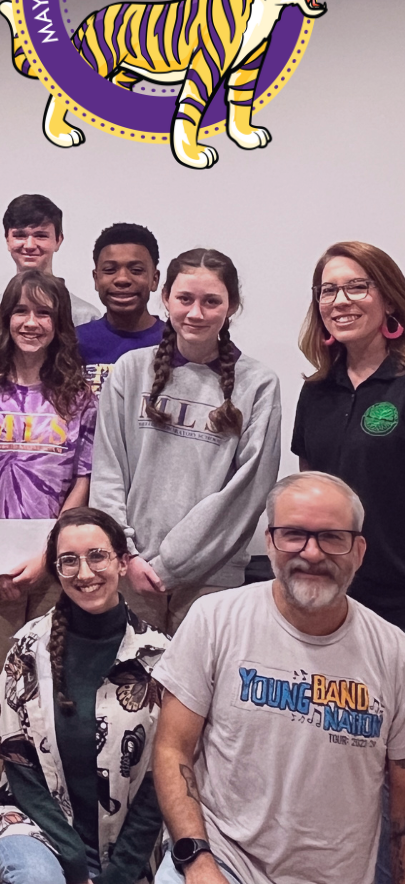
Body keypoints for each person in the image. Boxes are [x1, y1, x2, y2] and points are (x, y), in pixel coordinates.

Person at [151, 471, 405, 884]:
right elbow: (171, 749)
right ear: (269, 542)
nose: (312, 552)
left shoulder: (395, 652)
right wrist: (197, 862)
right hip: (221, 860)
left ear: (359, 550)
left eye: (333, 537)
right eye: (293, 534)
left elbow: (401, 801)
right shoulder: (214, 619)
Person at [0, 506, 169, 884]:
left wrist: (120, 874)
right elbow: (19, 765)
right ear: (56, 569)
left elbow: (161, 780)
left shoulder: (160, 657)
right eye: (68, 561)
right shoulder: (29, 648)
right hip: (37, 826)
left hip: (132, 843)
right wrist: (74, 860)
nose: (84, 573)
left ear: (123, 563)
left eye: (97, 556)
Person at [90, 248, 282, 633]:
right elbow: (108, 468)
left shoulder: (258, 384)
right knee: (128, 689)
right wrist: (124, 553)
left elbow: (246, 494)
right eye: (185, 299)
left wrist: (171, 565)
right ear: (165, 298)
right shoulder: (131, 370)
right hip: (132, 567)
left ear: (231, 307)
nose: (196, 313)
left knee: (197, 693)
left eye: (211, 301)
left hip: (211, 575)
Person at [0, 269, 97, 797]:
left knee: (47, 685)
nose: (32, 323)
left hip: (55, 567)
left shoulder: (79, 397)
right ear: (6, 318)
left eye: (44, 313)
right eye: (21, 311)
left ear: (59, 323)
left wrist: (47, 556)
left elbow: (83, 480)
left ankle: (42, 795)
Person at [293, 241, 405, 630]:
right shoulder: (316, 390)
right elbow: (309, 490)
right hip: (327, 590)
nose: (340, 301)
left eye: (357, 286)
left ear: (390, 301)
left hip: (397, 598)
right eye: (328, 290)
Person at [0, 194, 101, 381]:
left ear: (58, 240)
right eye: (20, 235)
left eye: (41, 235)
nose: (30, 245)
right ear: (8, 240)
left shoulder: (86, 317)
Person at [77, 222, 164, 396]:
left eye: (136, 270)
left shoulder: (176, 342)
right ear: (96, 279)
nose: (122, 279)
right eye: (110, 270)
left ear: (154, 279)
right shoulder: (74, 342)